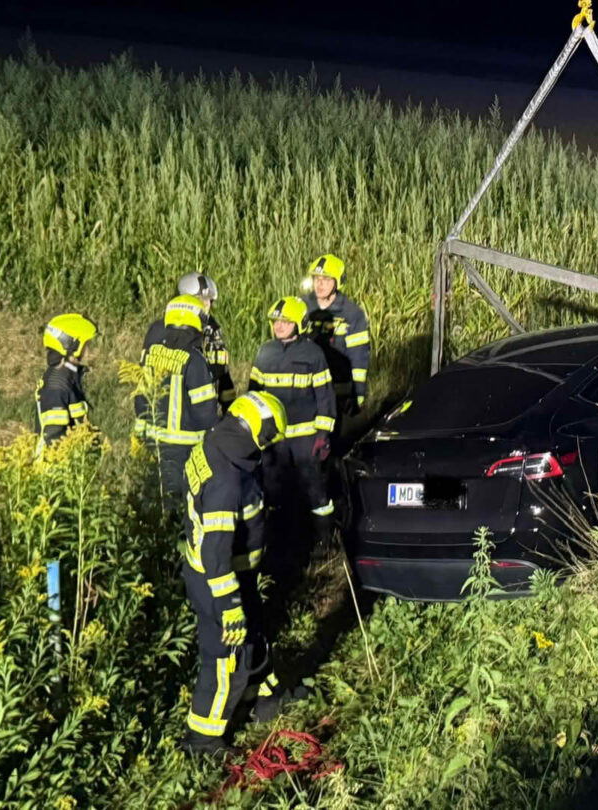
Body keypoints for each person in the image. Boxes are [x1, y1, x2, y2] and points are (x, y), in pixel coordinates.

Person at [179, 392, 290, 755]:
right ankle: (203, 741)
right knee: (223, 658)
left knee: (255, 632)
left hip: (233, 575)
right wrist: (229, 605)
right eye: (268, 437)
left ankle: (267, 699)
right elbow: (216, 552)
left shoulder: (218, 442)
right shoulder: (226, 480)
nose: (268, 446)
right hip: (219, 582)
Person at [249, 297, 337, 560]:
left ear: (300, 323)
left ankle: (324, 543)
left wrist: (323, 436)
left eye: (286, 321)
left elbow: (325, 396)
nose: (279, 326)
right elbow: (253, 395)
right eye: (276, 321)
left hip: (305, 439)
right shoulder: (265, 353)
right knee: (274, 491)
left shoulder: (313, 354)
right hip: (274, 440)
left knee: (314, 491)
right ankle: (280, 543)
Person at [133, 294, 221, 507]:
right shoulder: (194, 360)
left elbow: (139, 397)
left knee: (152, 496)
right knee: (178, 505)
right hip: (182, 447)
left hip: (150, 440)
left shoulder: (152, 353)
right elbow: (206, 413)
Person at [144, 273, 235, 405]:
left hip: (202, 404)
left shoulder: (213, 330)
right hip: (166, 404)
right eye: (199, 299)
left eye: (208, 299)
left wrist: (229, 410)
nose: (206, 304)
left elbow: (223, 375)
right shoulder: (164, 328)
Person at [303, 254, 371, 416]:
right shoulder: (301, 307)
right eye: (316, 278)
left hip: (337, 388)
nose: (320, 284)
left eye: (326, 279)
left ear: (338, 281)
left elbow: (359, 358)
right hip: (303, 388)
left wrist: (358, 395)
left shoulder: (352, 314)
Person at [35, 313, 99, 450]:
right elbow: (54, 440)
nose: (89, 351)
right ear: (71, 345)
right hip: (55, 467)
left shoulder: (69, 376)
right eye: (86, 345)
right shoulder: (58, 384)